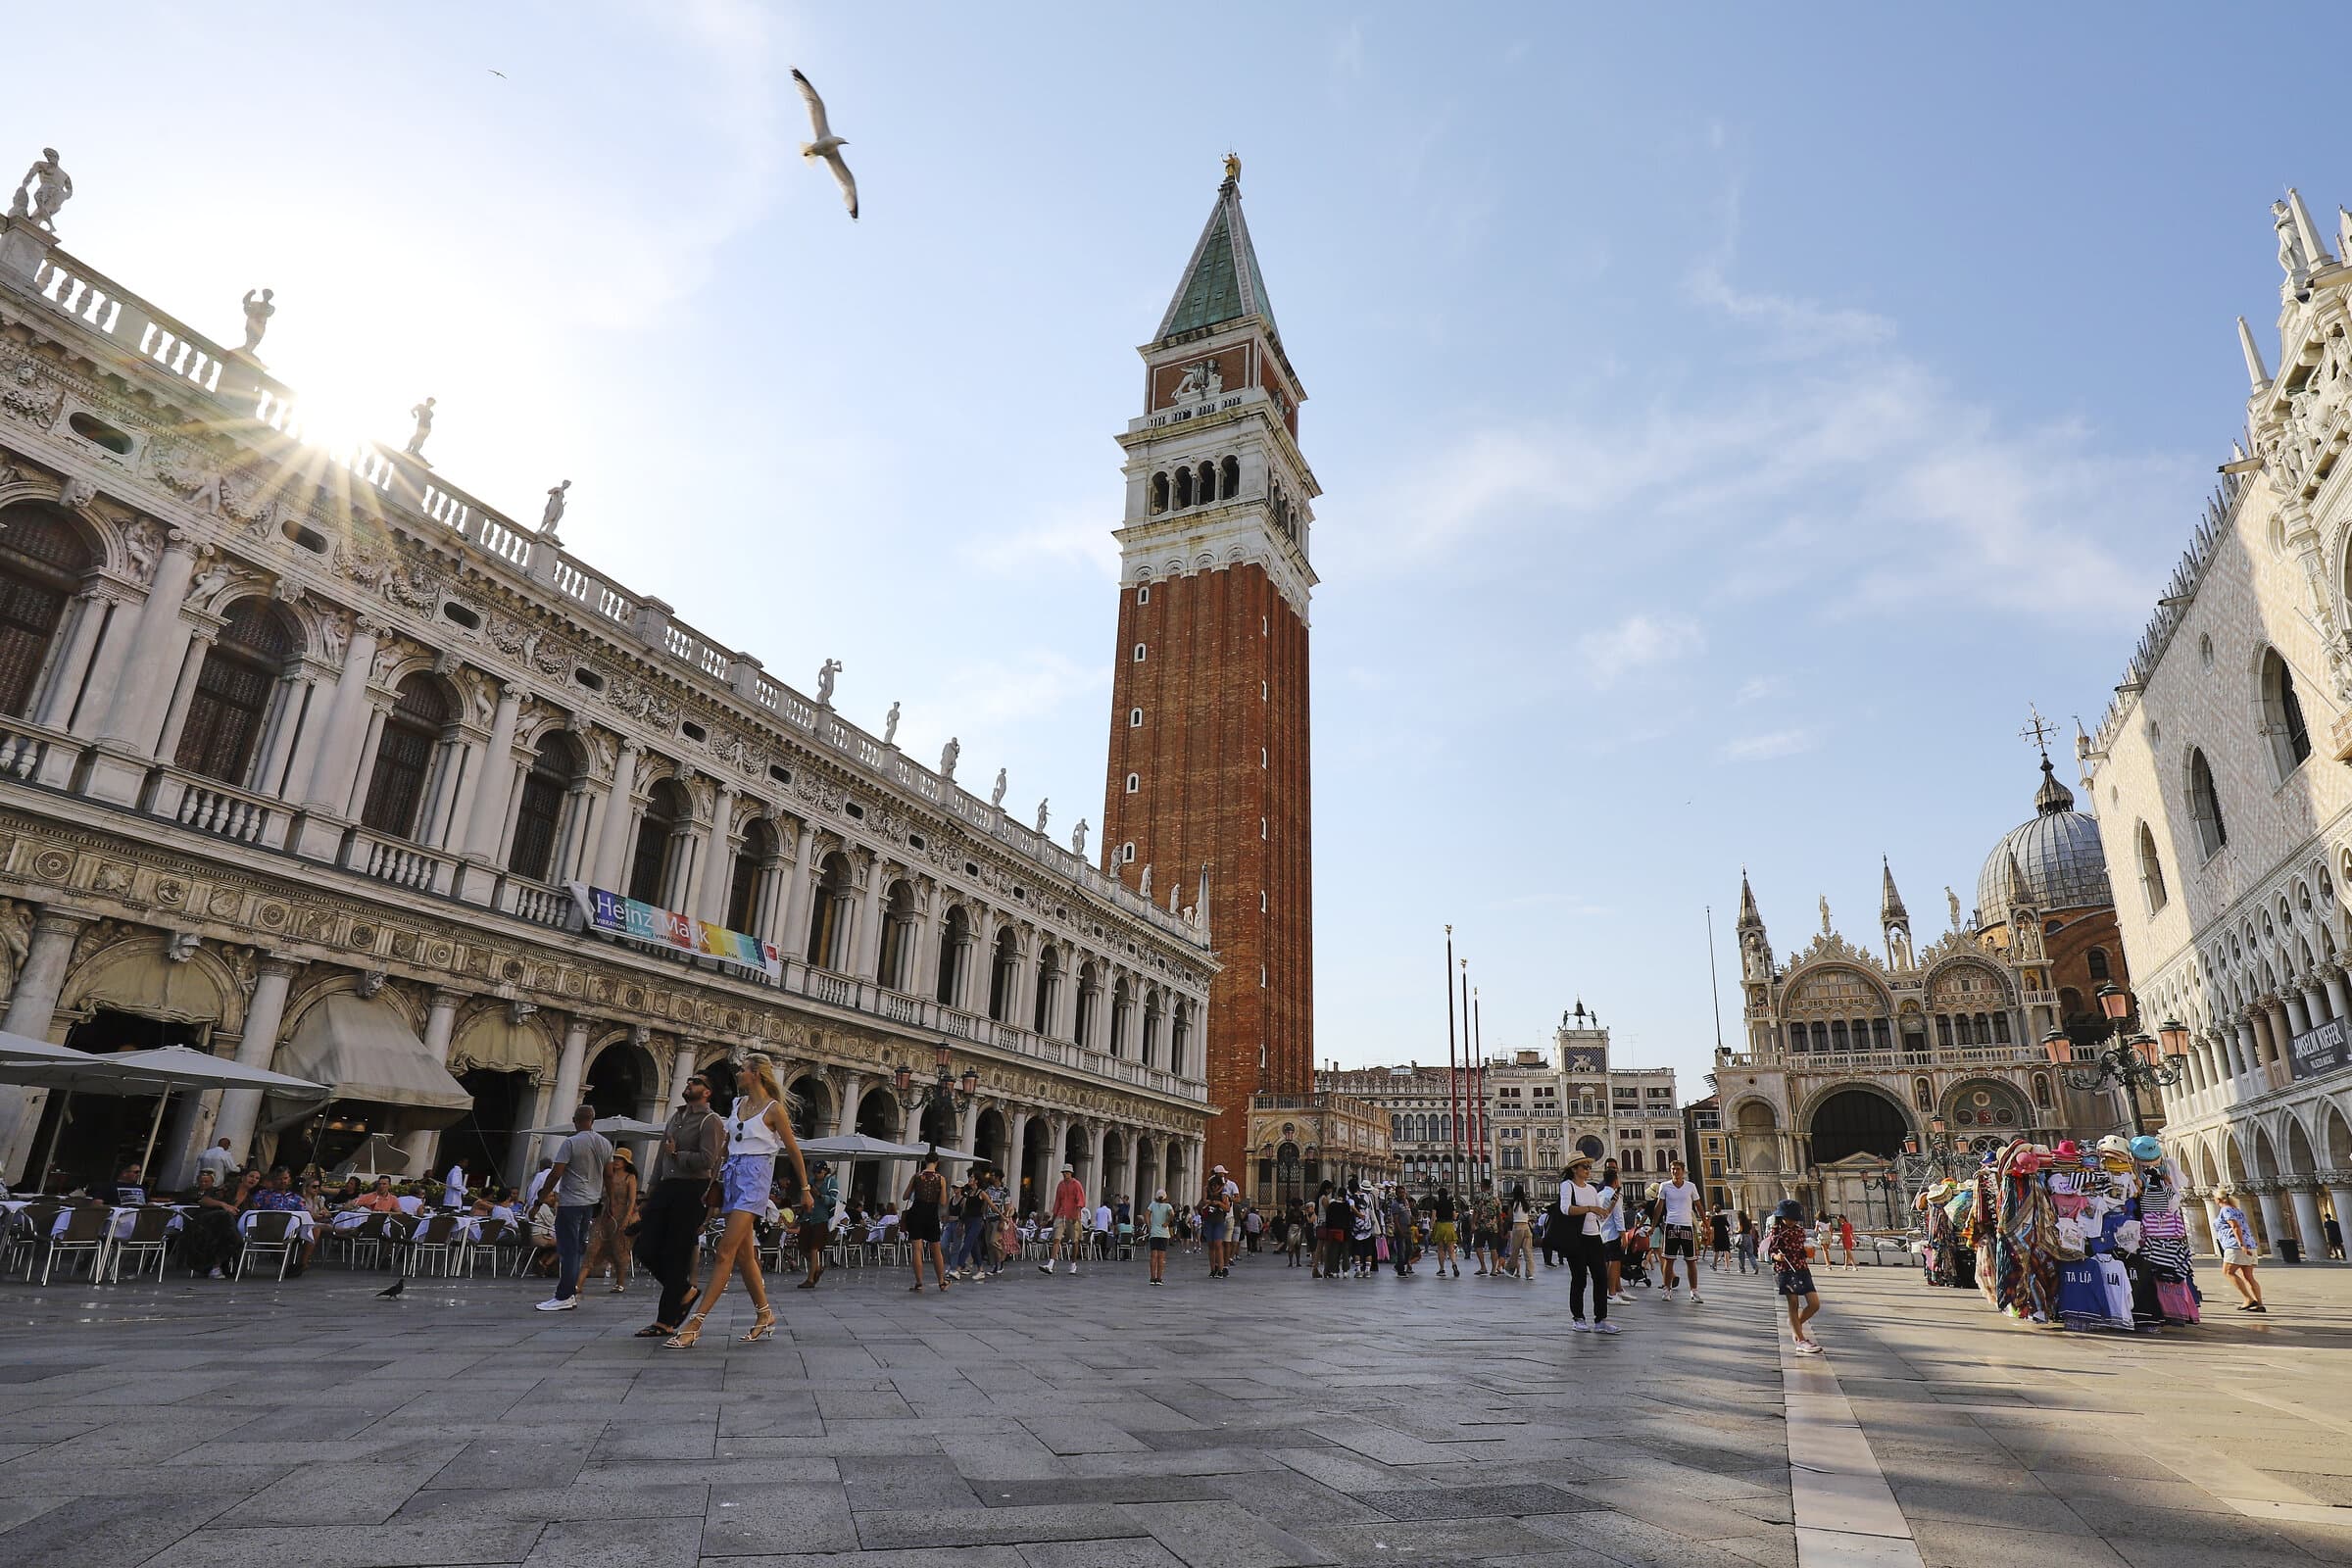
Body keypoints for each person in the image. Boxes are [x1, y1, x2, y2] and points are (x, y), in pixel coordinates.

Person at [666, 1054, 808, 1348]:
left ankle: (696, 1323)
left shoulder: (774, 1110)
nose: (738, 1073)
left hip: (755, 1181)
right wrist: (714, 1181)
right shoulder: (736, 1105)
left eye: (742, 1070)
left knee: (724, 1252)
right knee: (744, 1255)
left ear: (755, 1074)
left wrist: (805, 1188)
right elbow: (725, 1149)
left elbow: (793, 1150)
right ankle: (764, 1314)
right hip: (731, 1178)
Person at [635, 1073, 725, 1337]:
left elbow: (709, 1160)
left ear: (707, 1092)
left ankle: (665, 1321)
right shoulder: (676, 1117)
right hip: (666, 1187)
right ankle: (685, 1290)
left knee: (677, 1254)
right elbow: (660, 1157)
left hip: (691, 1190)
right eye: (689, 1082)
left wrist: (678, 1155)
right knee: (645, 1248)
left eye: (696, 1082)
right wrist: (650, 1190)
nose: (689, 1085)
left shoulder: (711, 1121)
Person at [530, 1105, 612, 1312]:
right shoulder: (605, 1143)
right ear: (593, 1120)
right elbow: (609, 1175)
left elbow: (555, 1174)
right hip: (590, 1203)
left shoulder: (571, 1142)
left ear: (575, 1119)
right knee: (576, 1249)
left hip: (570, 1202)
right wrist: (610, 1202)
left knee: (568, 1250)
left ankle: (564, 1295)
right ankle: (570, 1294)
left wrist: (539, 1201)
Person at [1558, 1155, 1617, 1334]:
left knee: (1601, 1278)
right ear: (1574, 1169)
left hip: (1594, 1236)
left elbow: (1601, 1215)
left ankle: (1601, 1320)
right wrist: (1591, 1209)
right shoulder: (1567, 1185)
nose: (1588, 1169)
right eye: (1585, 1166)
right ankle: (1578, 1318)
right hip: (1577, 1238)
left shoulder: (1592, 1189)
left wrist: (1610, 1206)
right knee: (1579, 1279)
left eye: (1589, 1167)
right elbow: (1566, 1209)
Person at [580, 1147, 639, 1294]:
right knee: (592, 1248)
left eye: (620, 1159)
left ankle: (620, 1282)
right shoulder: (607, 1176)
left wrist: (627, 1218)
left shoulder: (629, 1178)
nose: (617, 1161)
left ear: (626, 1162)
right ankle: (578, 1283)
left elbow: (632, 1200)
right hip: (604, 1215)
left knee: (620, 1250)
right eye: (615, 1158)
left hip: (620, 1216)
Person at [1767, 1199, 1823, 1352]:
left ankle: (1794, 1323)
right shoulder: (1776, 1231)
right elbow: (1771, 1250)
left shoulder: (1799, 1231)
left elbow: (1800, 1250)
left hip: (1802, 1268)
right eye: (1789, 1218)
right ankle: (1800, 1340)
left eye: (1794, 1219)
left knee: (1814, 1304)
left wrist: (1807, 1252)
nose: (1791, 1221)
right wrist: (1776, 1257)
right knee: (1793, 1304)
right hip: (1785, 1270)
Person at [1653, 1159, 1703, 1303]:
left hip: (1687, 1225)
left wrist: (1705, 1223)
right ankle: (1666, 1290)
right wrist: (1653, 1225)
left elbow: (1698, 1205)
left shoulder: (1690, 1186)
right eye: (1673, 1169)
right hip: (1671, 1225)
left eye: (1678, 1169)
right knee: (1669, 1260)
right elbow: (1659, 1206)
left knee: (1691, 1260)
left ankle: (1694, 1291)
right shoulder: (1664, 1186)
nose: (1675, 1171)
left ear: (1683, 1171)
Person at [903, 1152, 951, 1293]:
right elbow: (942, 1202)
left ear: (925, 1161)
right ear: (937, 1162)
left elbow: (905, 1196)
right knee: (935, 1249)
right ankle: (941, 1282)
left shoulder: (916, 1176)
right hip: (931, 1215)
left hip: (916, 1213)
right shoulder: (940, 1179)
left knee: (917, 1249)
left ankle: (919, 1283)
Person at [2215, 1189, 2265, 1313]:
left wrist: (2241, 1245)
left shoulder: (2226, 1210)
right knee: (2248, 1276)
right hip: (2250, 1244)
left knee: (2227, 1272)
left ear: (2219, 1200)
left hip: (2235, 1246)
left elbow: (2235, 1226)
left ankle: (2248, 1299)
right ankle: (2259, 1304)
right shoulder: (2236, 1210)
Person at [797, 1159, 840, 1289]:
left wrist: (820, 1196)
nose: (816, 1174)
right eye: (814, 1172)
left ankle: (810, 1278)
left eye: (819, 1172)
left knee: (814, 1248)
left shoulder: (831, 1183)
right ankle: (817, 1267)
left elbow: (833, 1200)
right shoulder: (810, 1182)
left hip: (821, 1218)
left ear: (825, 1171)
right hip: (808, 1217)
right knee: (803, 1247)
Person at [1042, 1162, 1088, 1275]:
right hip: (1061, 1214)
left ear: (1071, 1173)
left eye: (1067, 1172)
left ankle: (1073, 1264)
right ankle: (1050, 1264)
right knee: (1056, 1239)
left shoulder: (1076, 1184)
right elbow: (1058, 1200)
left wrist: (1076, 1216)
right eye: (1063, 1172)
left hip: (1073, 1215)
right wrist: (1054, 1215)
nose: (1065, 1174)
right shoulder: (1060, 1185)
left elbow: (1080, 1201)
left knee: (1075, 1241)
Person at [1595, 1159, 1630, 1304]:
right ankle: (1612, 1293)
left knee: (1609, 1263)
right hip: (1614, 1233)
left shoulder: (1599, 1194)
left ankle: (1613, 1291)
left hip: (1603, 1233)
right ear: (1615, 1181)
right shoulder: (1616, 1196)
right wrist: (1624, 1236)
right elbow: (1618, 1217)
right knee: (1615, 1263)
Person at [1200, 1166, 1234, 1278]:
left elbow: (1227, 1208)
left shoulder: (1224, 1193)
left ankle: (1220, 1269)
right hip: (1209, 1220)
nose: (1214, 1188)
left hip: (1219, 1220)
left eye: (1216, 1186)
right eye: (1212, 1186)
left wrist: (1218, 1203)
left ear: (1219, 1185)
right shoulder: (1207, 1189)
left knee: (1218, 1245)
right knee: (1210, 1245)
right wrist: (1208, 1202)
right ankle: (1212, 1269)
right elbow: (1203, 1201)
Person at [1504, 1184, 1536, 1281]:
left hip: (1517, 1227)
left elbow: (1510, 1216)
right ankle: (1529, 1273)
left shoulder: (1512, 1203)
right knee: (1528, 1251)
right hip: (1526, 1227)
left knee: (1515, 1250)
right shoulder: (1526, 1203)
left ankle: (1510, 1269)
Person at [1146, 1187, 1175, 1284]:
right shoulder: (1168, 1206)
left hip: (1154, 1232)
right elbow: (1172, 1214)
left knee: (1153, 1256)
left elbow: (1147, 1214)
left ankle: (1152, 1277)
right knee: (1161, 1257)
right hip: (1163, 1233)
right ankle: (1159, 1278)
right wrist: (1167, 1222)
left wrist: (1149, 1225)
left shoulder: (1152, 1205)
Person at [1431, 1186, 1460, 1278]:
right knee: (1451, 1249)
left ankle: (1442, 1269)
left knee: (1441, 1249)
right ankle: (1454, 1264)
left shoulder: (1437, 1203)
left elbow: (1433, 1217)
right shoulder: (1450, 1203)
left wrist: (1431, 1228)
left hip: (1440, 1225)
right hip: (1449, 1226)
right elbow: (1454, 1217)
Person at [1735, 1210, 1758, 1275]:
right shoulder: (1748, 1221)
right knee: (1751, 1254)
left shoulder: (1740, 1221)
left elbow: (1740, 1230)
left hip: (1743, 1237)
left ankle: (1742, 1269)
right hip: (1749, 1237)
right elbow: (1750, 1231)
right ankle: (1755, 1267)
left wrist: (1735, 1231)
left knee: (1741, 1254)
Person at [1710, 1205, 1733, 1271]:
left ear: (1714, 1211)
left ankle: (1715, 1265)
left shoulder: (1713, 1218)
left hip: (1717, 1236)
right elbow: (1728, 1227)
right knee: (1726, 1251)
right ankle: (1727, 1267)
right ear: (1720, 1210)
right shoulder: (1723, 1218)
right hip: (1724, 1236)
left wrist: (1712, 1237)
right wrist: (1727, 1231)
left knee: (1716, 1251)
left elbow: (1712, 1229)